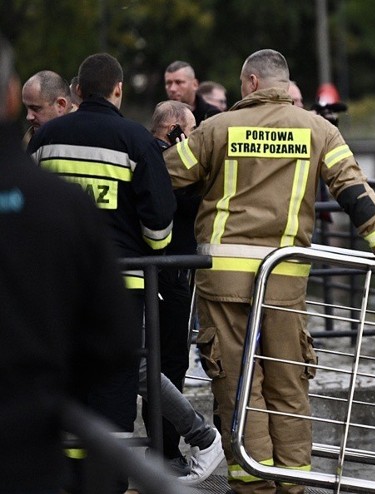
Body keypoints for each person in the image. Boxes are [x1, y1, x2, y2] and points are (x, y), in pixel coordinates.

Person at [163, 48, 375, 494]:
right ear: (284, 84)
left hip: (223, 280)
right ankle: (294, 486)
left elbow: (165, 177)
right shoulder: (319, 129)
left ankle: (253, 486)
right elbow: (355, 194)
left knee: (239, 389)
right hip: (283, 280)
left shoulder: (217, 128)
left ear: (249, 82)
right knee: (288, 386)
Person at [28, 52, 176, 493]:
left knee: (68, 383)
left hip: (58, 291)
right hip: (121, 289)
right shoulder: (136, 140)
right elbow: (159, 223)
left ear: (76, 91)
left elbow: (28, 205)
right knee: (112, 390)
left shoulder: (45, 139)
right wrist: (152, 248)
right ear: (118, 89)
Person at [0, 33, 138, 494]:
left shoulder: (46, 160)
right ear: (10, 96)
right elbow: (113, 337)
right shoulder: (59, 204)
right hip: (27, 448)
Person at [146, 99, 225, 484]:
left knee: (155, 363)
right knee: (166, 365)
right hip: (168, 278)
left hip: (161, 277)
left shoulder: (147, 156)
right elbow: (195, 202)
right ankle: (165, 453)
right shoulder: (166, 163)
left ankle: (161, 451)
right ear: (175, 130)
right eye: (190, 131)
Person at [20, 70, 73, 146]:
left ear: (60, 105)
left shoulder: (86, 136)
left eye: (35, 108)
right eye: (27, 108)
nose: (28, 117)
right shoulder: (28, 142)